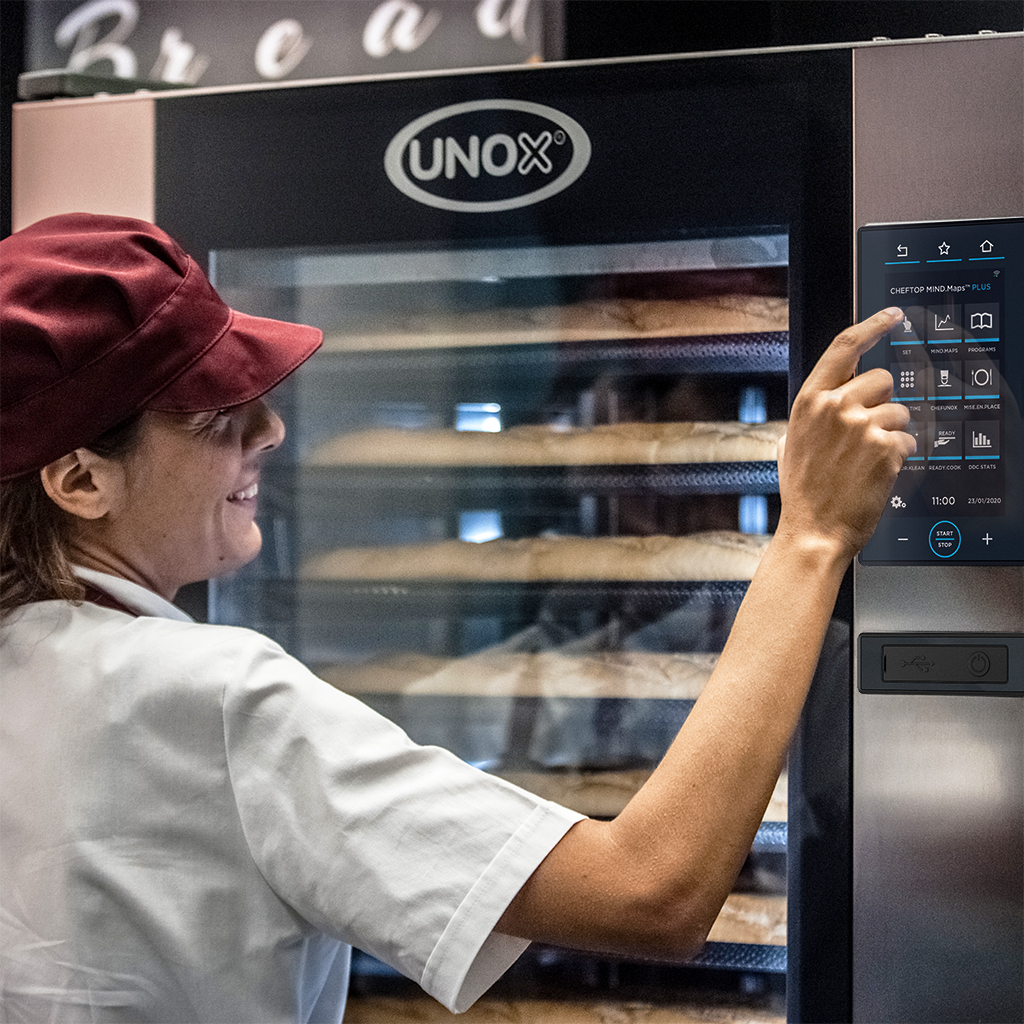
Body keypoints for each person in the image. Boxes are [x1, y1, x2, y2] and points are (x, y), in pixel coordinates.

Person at [0, 213, 914, 1023]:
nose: (269, 431)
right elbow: (651, 896)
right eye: (214, 416)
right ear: (82, 480)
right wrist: (814, 535)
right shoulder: (220, 699)